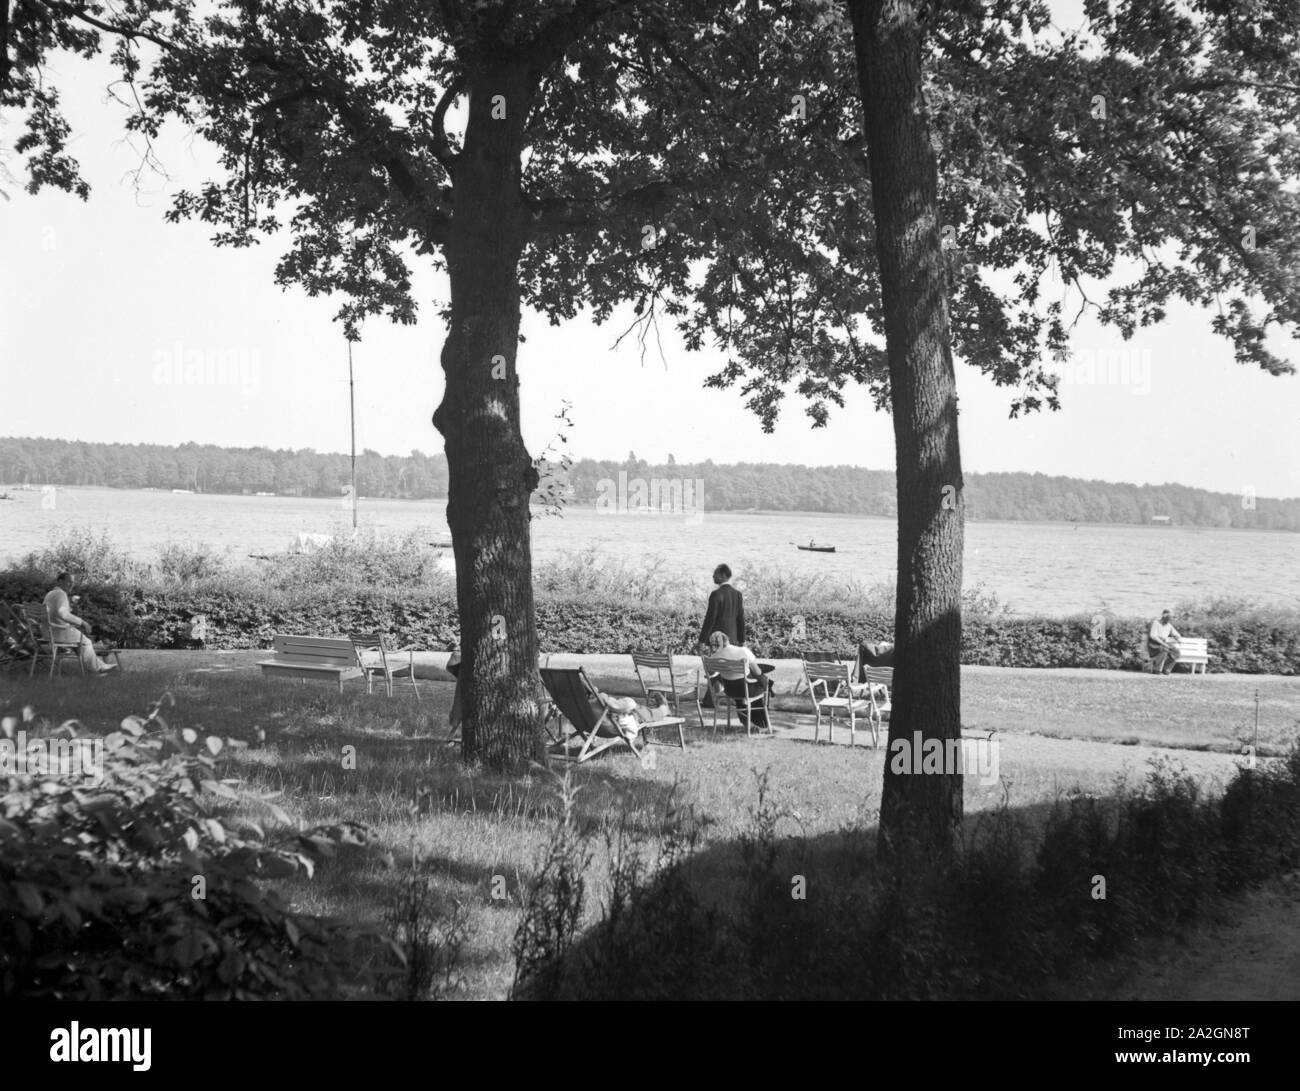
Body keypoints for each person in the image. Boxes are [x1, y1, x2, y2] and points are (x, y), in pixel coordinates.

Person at [43, 572, 117, 675]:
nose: (71, 585)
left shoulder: (50, 594)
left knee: (82, 644)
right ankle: (98, 669)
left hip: (48, 632)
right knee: (86, 642)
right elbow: (63, 614)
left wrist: (70, 605)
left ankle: (99, 666)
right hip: (58, 632)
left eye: (72, 583)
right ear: (60, 581)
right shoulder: (61, 594)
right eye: (68, 582)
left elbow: (56, 612)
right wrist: (83, 622)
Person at [705, 630, 773, 730]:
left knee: (745, 685)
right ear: (727, 639)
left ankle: (747, 721)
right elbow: (758, 671)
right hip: (745, 690)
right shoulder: (742, 651)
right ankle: (761, 722)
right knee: (763, 681)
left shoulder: (714, 657)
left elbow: (710, 674)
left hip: (730, 691)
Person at [698, 564, 745, 650]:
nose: (713, 576)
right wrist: (741, 640)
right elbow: (740, 619)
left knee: (716, 663)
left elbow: (710, 618)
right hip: (733, 641)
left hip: (717, 641)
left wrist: (702, 640)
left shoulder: (716, 594)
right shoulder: (737, 594)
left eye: (715, 573)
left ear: (722, 575)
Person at [1148, 609, 1182, 675]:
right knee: (1164, 649)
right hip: (1154, 644)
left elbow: (1176, 634)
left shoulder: (1169, 625)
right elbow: (1153, 636)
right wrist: (1163, 644)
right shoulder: (1156, 623)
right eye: (1169, 617)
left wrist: (1176, 637)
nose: (1170, 619)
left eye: (1170, 618)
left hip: (1163, 643)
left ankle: (1166, 669)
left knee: (1176, 652)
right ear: (1164, 616)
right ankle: (1156, 670)